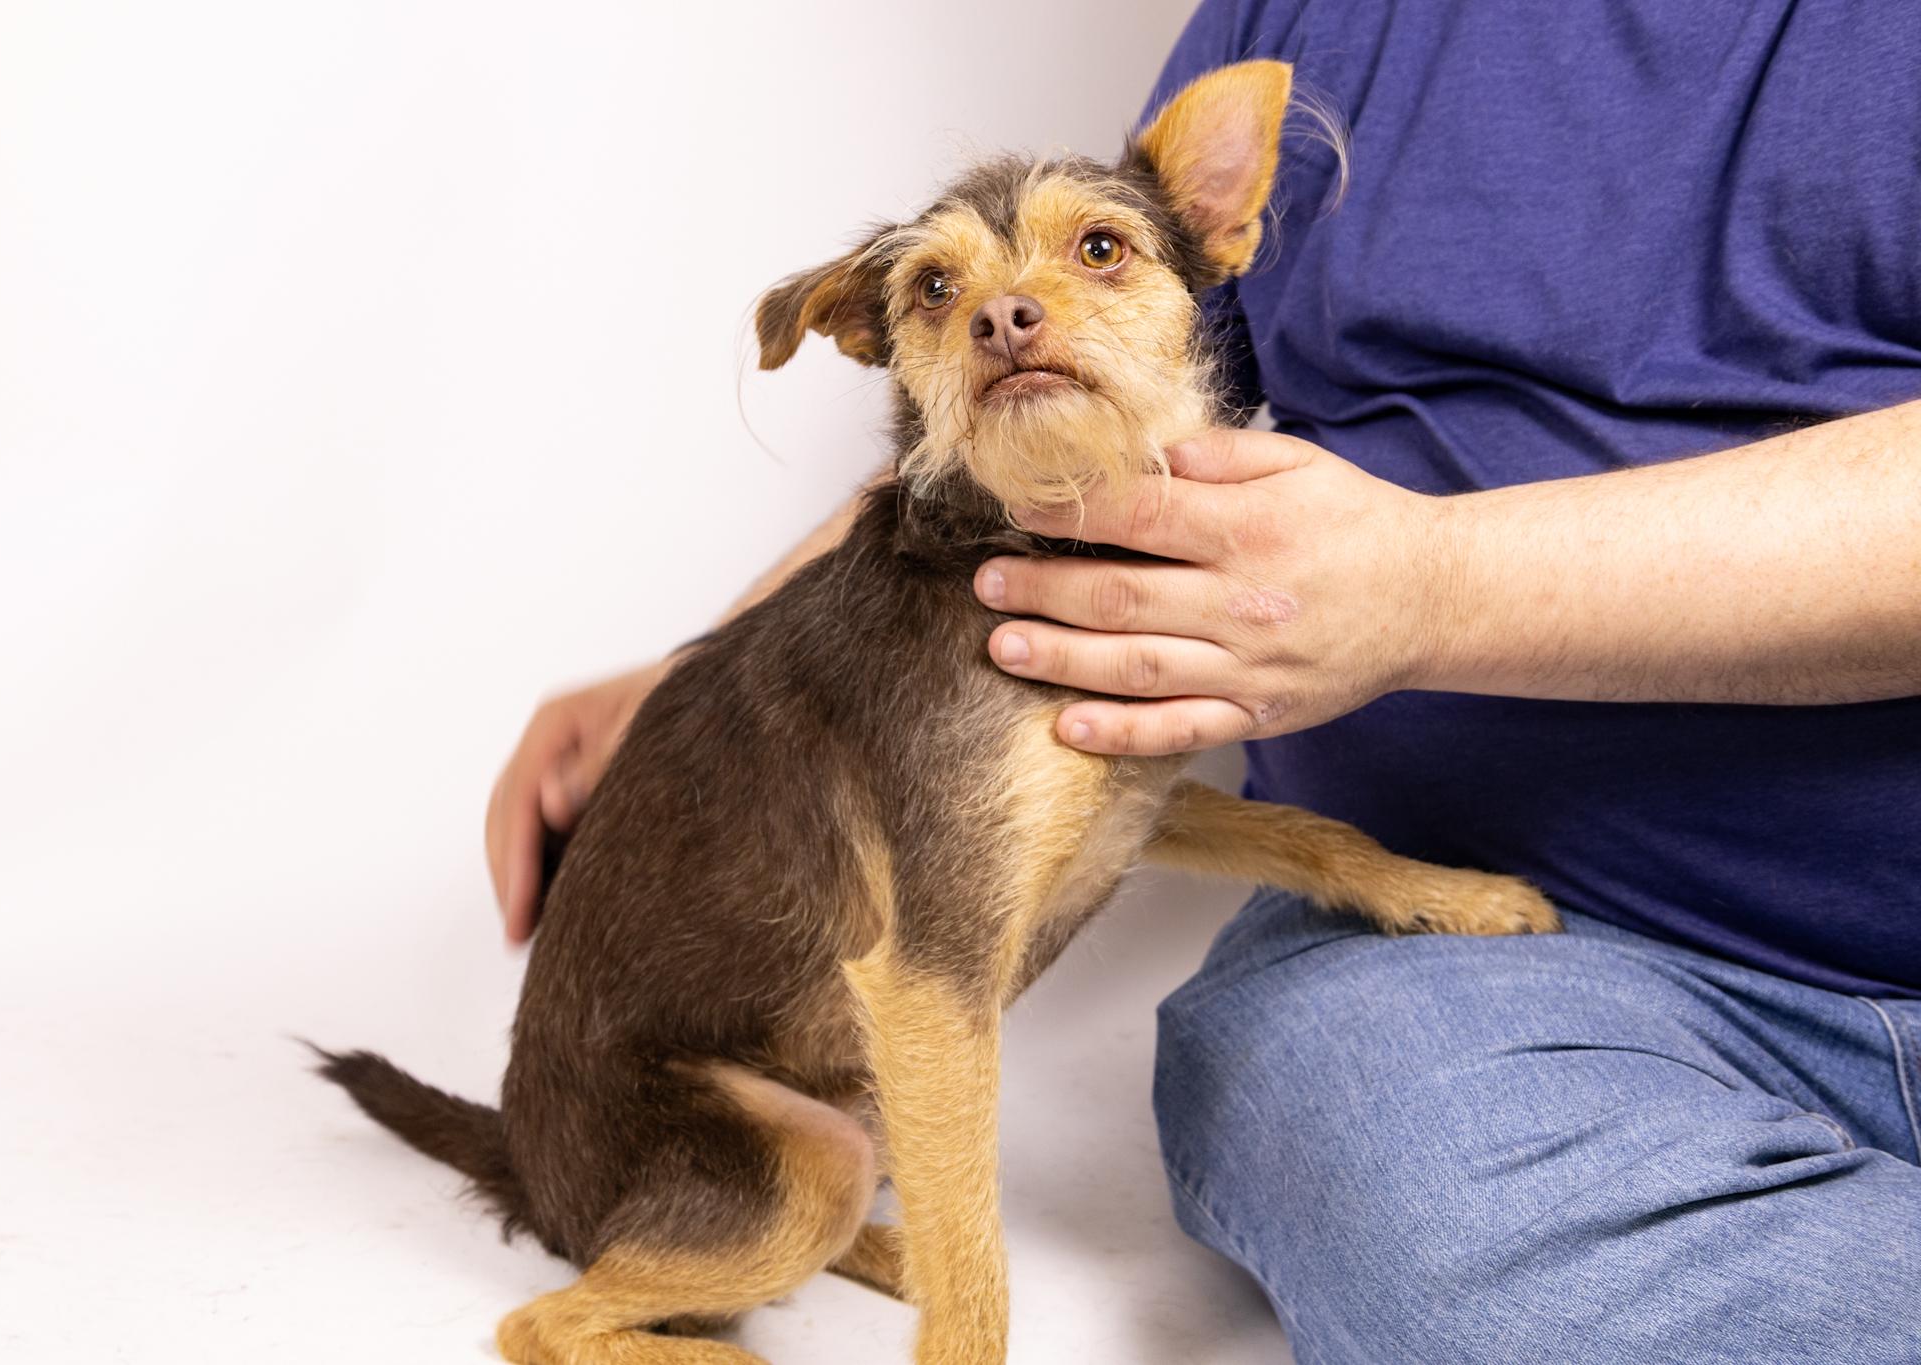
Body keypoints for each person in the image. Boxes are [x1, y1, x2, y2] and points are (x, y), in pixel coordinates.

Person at [485, 2, 1921, 1359]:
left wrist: (1431, 588)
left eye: (1096, 254)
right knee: (1416, 1207)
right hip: (1488, 995)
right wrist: (700, 673)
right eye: (945, 295)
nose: (1009, 313)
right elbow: (1055, 444)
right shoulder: (1295, 25)